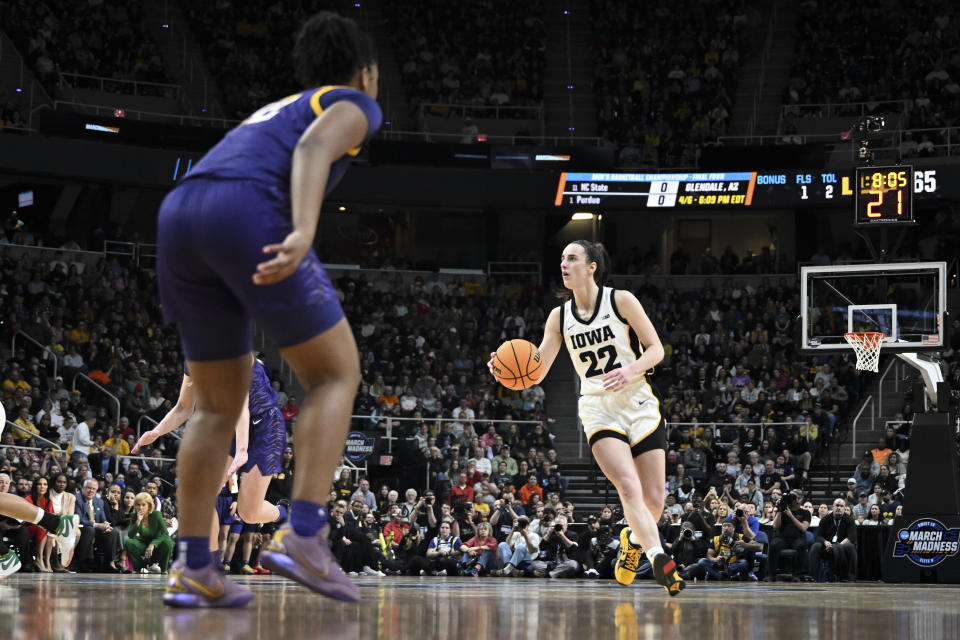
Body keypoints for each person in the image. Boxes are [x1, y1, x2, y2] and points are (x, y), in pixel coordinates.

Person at [154, 11, 380, 608]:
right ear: (365, 72)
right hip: (243, 211)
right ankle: (304, 534)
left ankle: (194, 564)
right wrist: (305, 228)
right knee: (336, 374)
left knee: (214, 407)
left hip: (181, 213)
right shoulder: (353, 102)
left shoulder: (278, 107)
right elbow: (312, 148)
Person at [490, 240, 683, 595]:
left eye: (572, 258)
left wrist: (630, 370)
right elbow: (535, 372)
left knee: (654, 501)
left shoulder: (621, 300)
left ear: (591, 266)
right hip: (597, 407)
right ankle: (659, 558)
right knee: (627, 485)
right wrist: (504, 371)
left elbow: (656, 349)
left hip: (638, 400)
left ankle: (632, 540)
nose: (564, 263)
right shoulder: (558, 317)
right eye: (562, 258)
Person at [125, 492, 175, 574]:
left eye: (143, 505)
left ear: (149, 506)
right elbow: (131, 535)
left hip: (158, 543)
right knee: (128, 542)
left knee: (168, 543)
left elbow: (165, 533)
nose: (140, 507)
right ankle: (140, 568)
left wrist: (153, 544)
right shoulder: (134, 515)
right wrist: (138, 521)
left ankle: (163, 568)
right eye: (138, 505)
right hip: (144, 543)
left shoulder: (156, 514)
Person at [809, 498, 856, 582]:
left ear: (844, 508)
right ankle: (814, 576)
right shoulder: (825, 519)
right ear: (833, 507)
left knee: (851, 547)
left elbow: (851, 537)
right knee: (816, 546)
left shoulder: (849, 520)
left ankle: (850, 577)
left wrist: (838, 545)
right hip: (827, 546)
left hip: (842, 545)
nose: (839, 508)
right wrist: (825, 542)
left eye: (841, 506)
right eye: (837, 505)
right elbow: (819, 536)